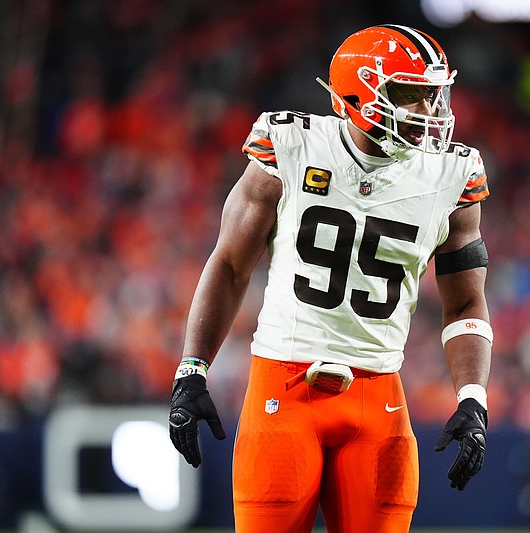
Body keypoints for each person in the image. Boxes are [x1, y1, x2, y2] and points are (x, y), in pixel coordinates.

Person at [168, 24, 493, 533]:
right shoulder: (292, 146)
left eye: (434, 96)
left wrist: (472, 398)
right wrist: (192, 369)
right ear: (362, 94)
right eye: (413, 95)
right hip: (283, 390)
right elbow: (231, 263)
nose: (431, 113)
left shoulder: (451, 175)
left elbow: (466, 303)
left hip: (379, 396)